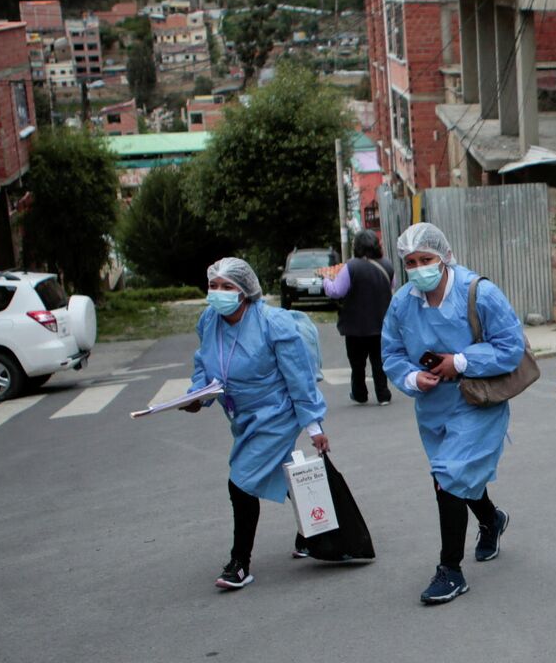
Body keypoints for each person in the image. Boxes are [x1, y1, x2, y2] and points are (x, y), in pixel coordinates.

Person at [381, 222, 524, 605]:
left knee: (448, 476)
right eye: (410, 261)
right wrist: (413, 378)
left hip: (477, 401)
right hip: (433, 408)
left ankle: (451, 570)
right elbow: (391, 353)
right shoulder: (402, 302)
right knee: (452, 477)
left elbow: (511, 347)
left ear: (443, 257)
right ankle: (491, 518)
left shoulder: (479, 293)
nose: (418, 268)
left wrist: (459, 361)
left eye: (425, 259)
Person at [185, 257, 329, 591]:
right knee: (283, 472)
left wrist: (314, 426)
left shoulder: (272, 323)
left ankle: (240, 563)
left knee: (242, 482)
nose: (218, 293)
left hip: (277, 414)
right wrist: (196, 397)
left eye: (227, 287)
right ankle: (319, 533)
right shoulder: (210, 321)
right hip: (243, 416)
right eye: (214, 286)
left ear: (246, 292)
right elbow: (203, 364)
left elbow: (300, 377)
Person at [324, 229, 394, 405]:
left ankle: (360, 393)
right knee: (379, 361)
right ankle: (383, 394)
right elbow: (391, 287)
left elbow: (336, 291)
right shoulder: (387, 265)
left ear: (357, 247)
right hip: (380, 323)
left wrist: (326, 280)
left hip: (355, 325)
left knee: (357, 363)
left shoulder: (351, 266)